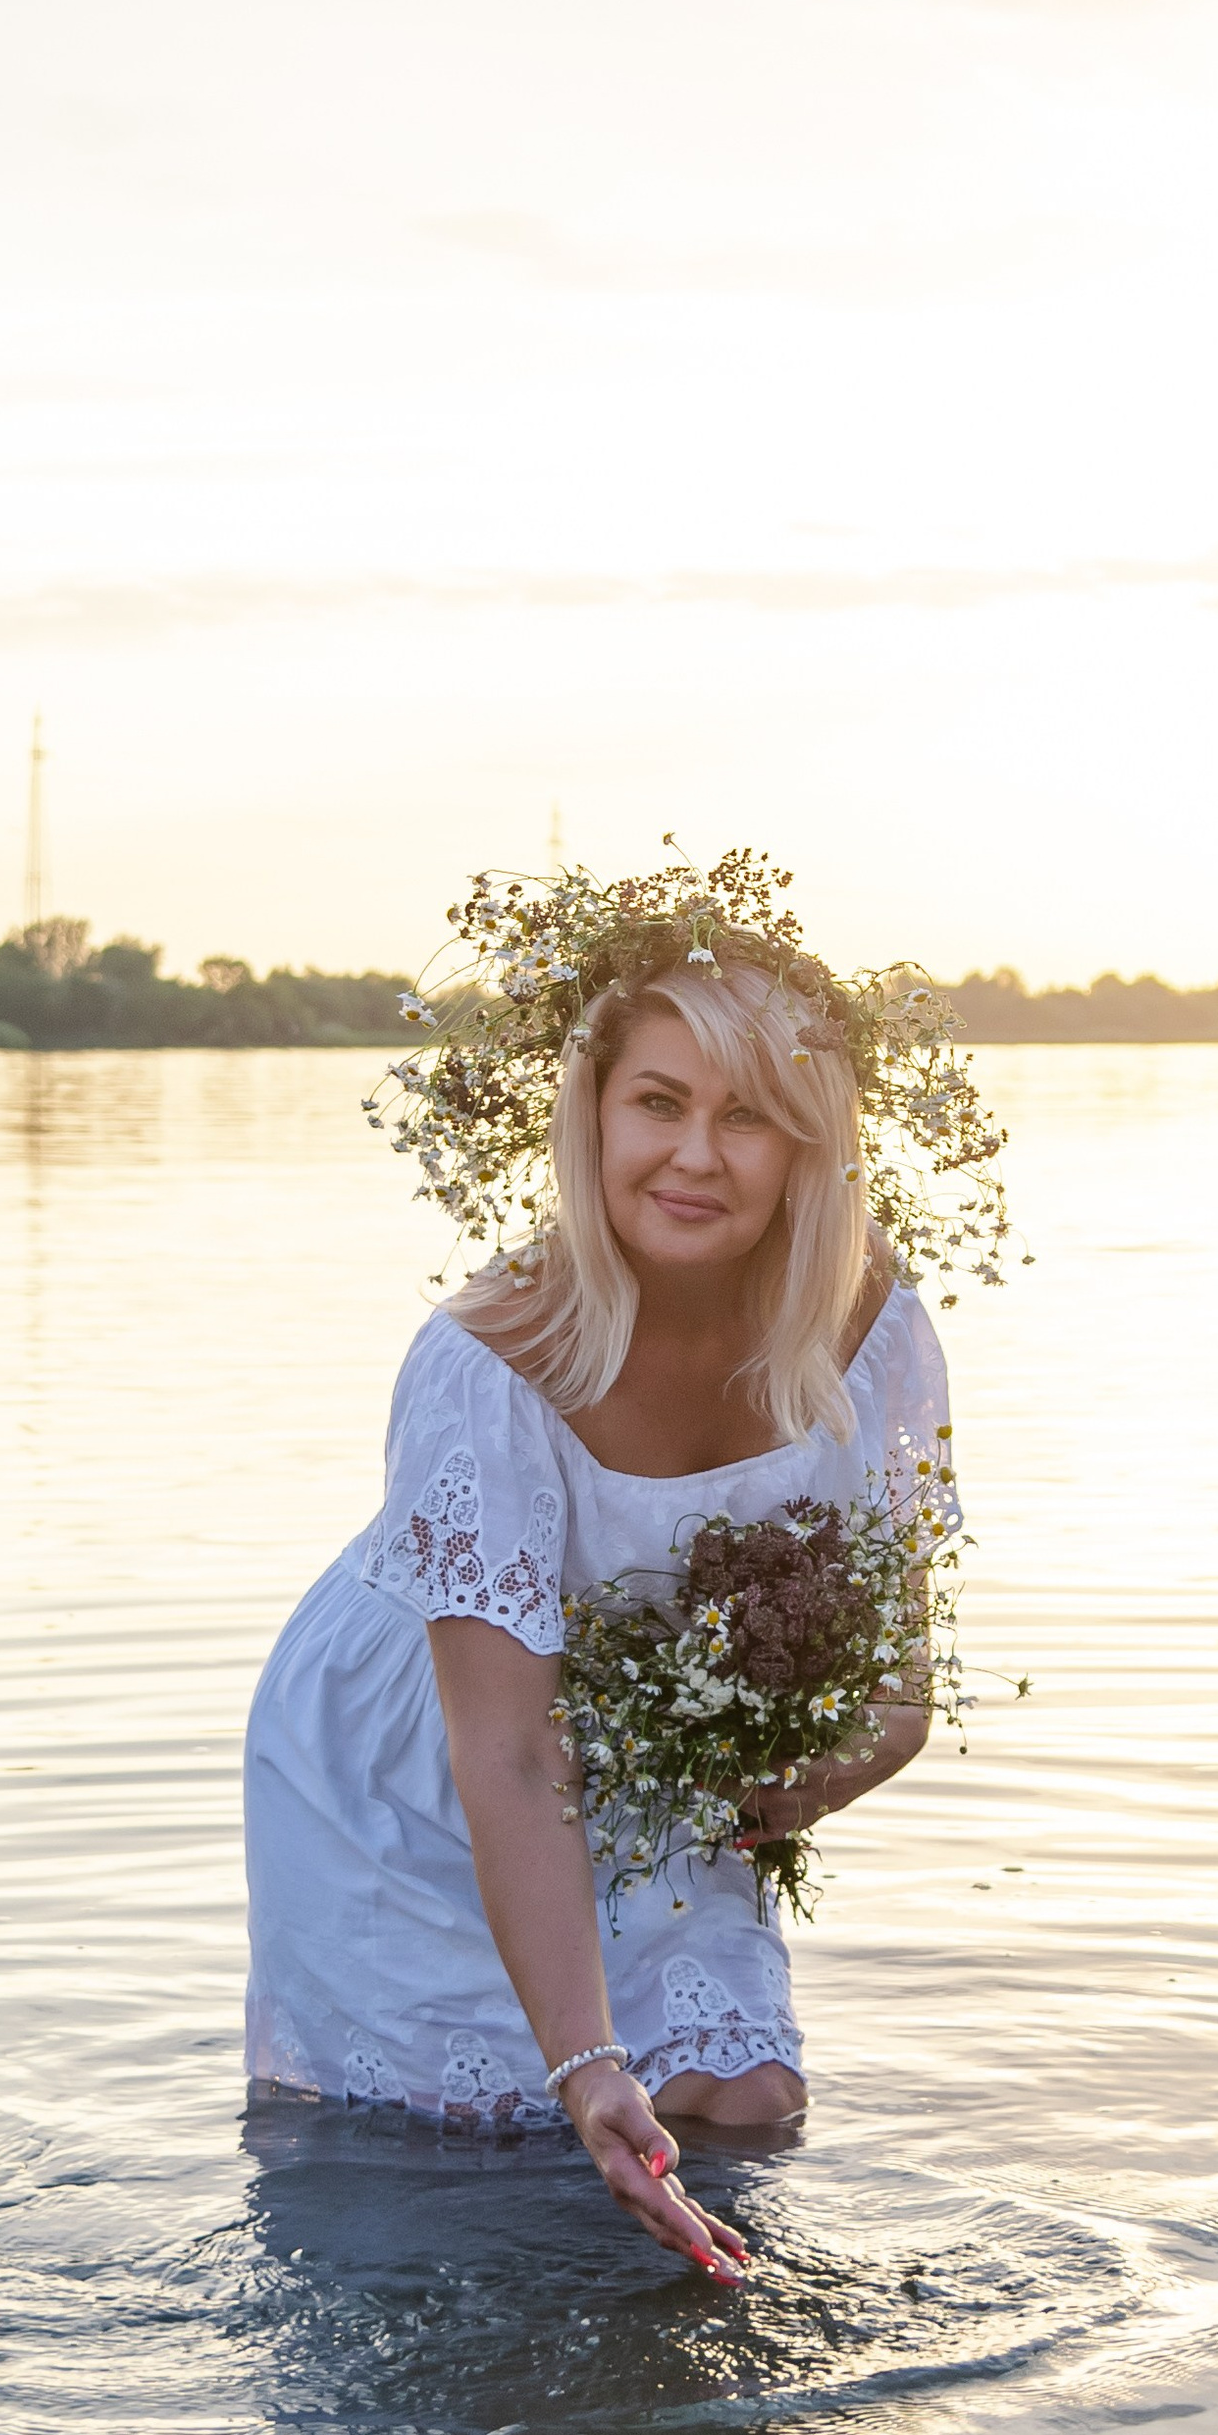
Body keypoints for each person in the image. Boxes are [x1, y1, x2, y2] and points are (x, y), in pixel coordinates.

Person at [244, 880, 966, 2288]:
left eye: (748, 1115)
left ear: (813, 1143)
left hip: (647, 1735)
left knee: (741, 2101)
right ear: (590, 1113)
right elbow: (507, 1752)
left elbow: (903, 1686)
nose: (697, 1156)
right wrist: (583, 2064)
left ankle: (702, 2388)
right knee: (443, 2159)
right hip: (414, 1757)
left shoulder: (872, 1331)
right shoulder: (489, 1361)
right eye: (659, 1103)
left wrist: (810, 1773)